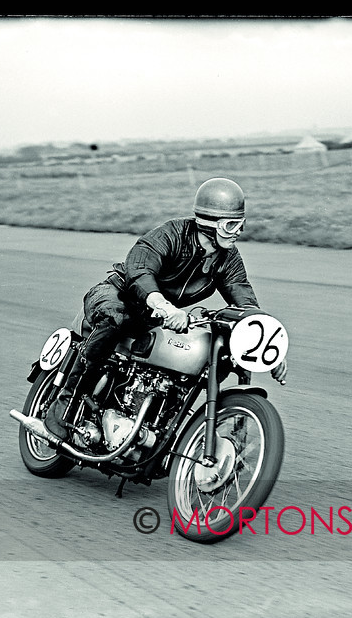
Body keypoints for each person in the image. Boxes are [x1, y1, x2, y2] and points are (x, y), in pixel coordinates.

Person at [44, 177, 288, 439]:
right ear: (208, 224)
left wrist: (266, 345)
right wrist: (164, 306)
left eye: (241, 224)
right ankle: (66, 401)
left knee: (216, 351)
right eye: (231, 225)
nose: (239, 231)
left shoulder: (228, 260)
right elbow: (139, 269)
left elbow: (244, 297)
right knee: (117, 318)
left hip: (158, 316)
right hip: (118, 294)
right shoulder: (171, 235)